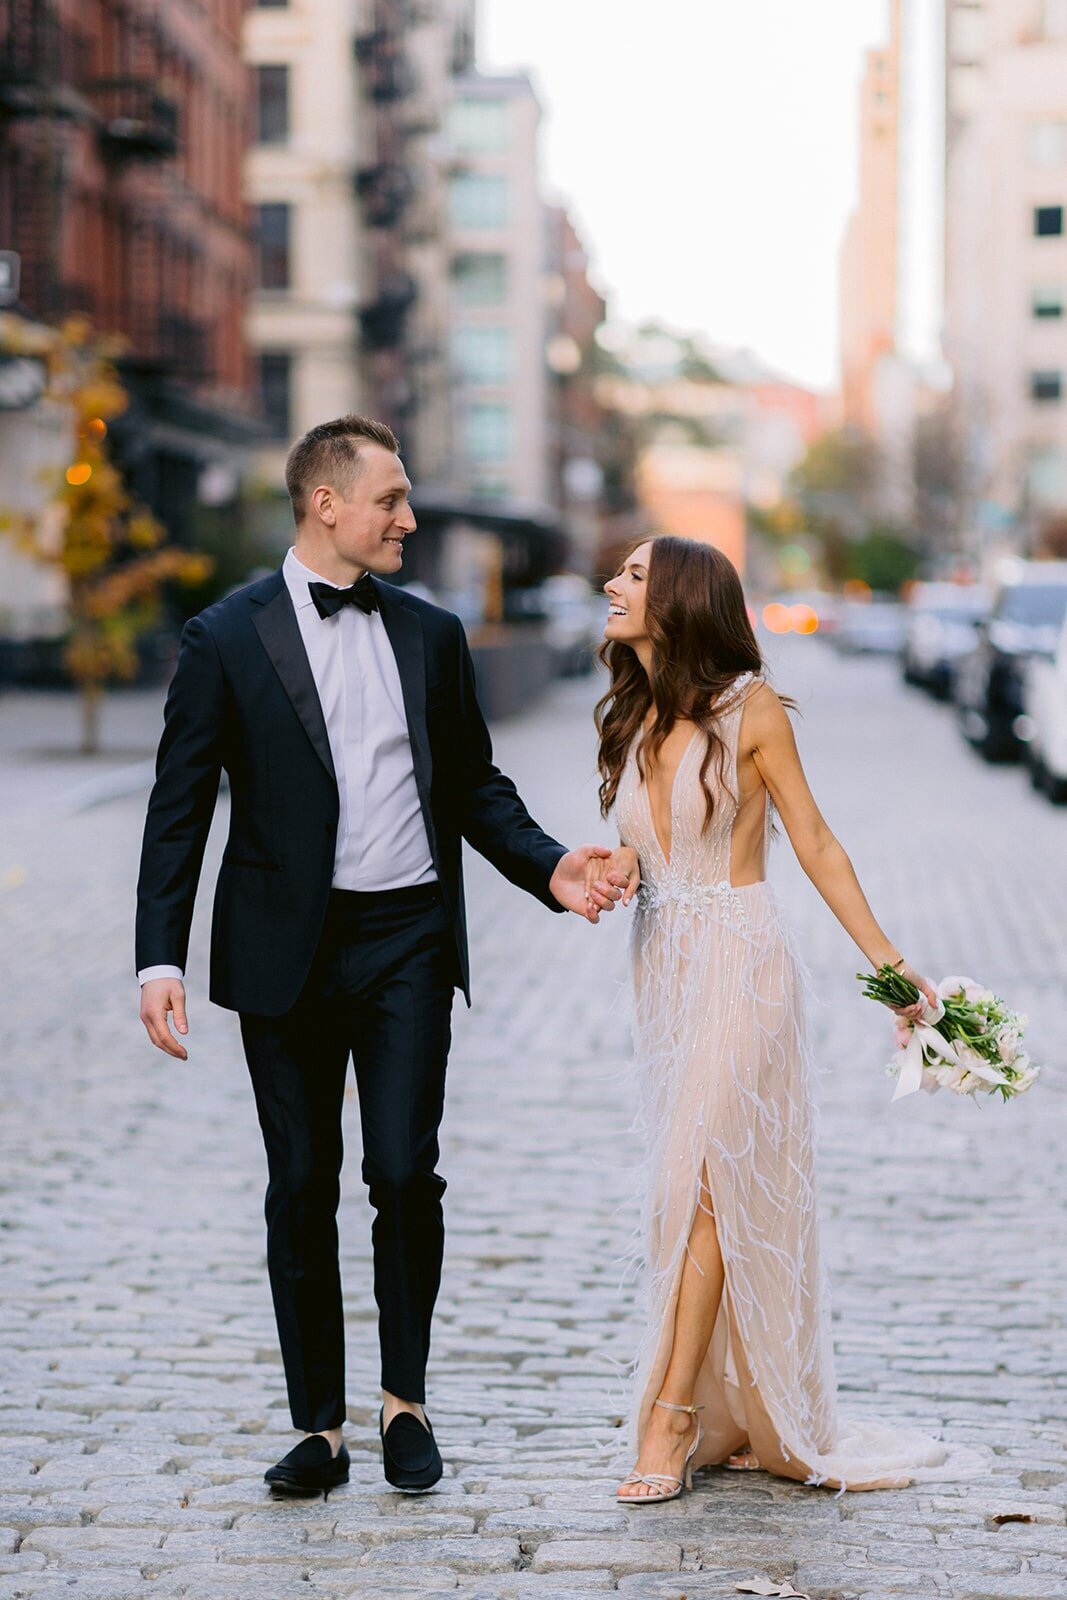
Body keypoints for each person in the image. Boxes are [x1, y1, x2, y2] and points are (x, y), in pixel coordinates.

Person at [136, 415, 617, 1498]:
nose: (407, 517)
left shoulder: (431, 634)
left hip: (405, 936)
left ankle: (404, 1401)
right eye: (390, 500)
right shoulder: (223, 638)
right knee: (299, 1183)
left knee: (402, 1170)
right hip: (283, 950)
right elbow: (177, 812)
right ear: (326, 504)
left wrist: (549, 868)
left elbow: (472, 788)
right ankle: (319, 1426)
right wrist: (155, 959)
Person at [585, 534, 965, 1501]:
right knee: (685, 1190)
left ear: (677, 600)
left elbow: (817, 842)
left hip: (742, 966)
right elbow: (647, 841)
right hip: (665, 974)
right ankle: (735, 1412)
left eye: (631, 576)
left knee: (709, 1186)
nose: (609, 586)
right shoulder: (632, 716)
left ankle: (669, 1422)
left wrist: (891, 971)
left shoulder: (749, 710)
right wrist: (625, 864)